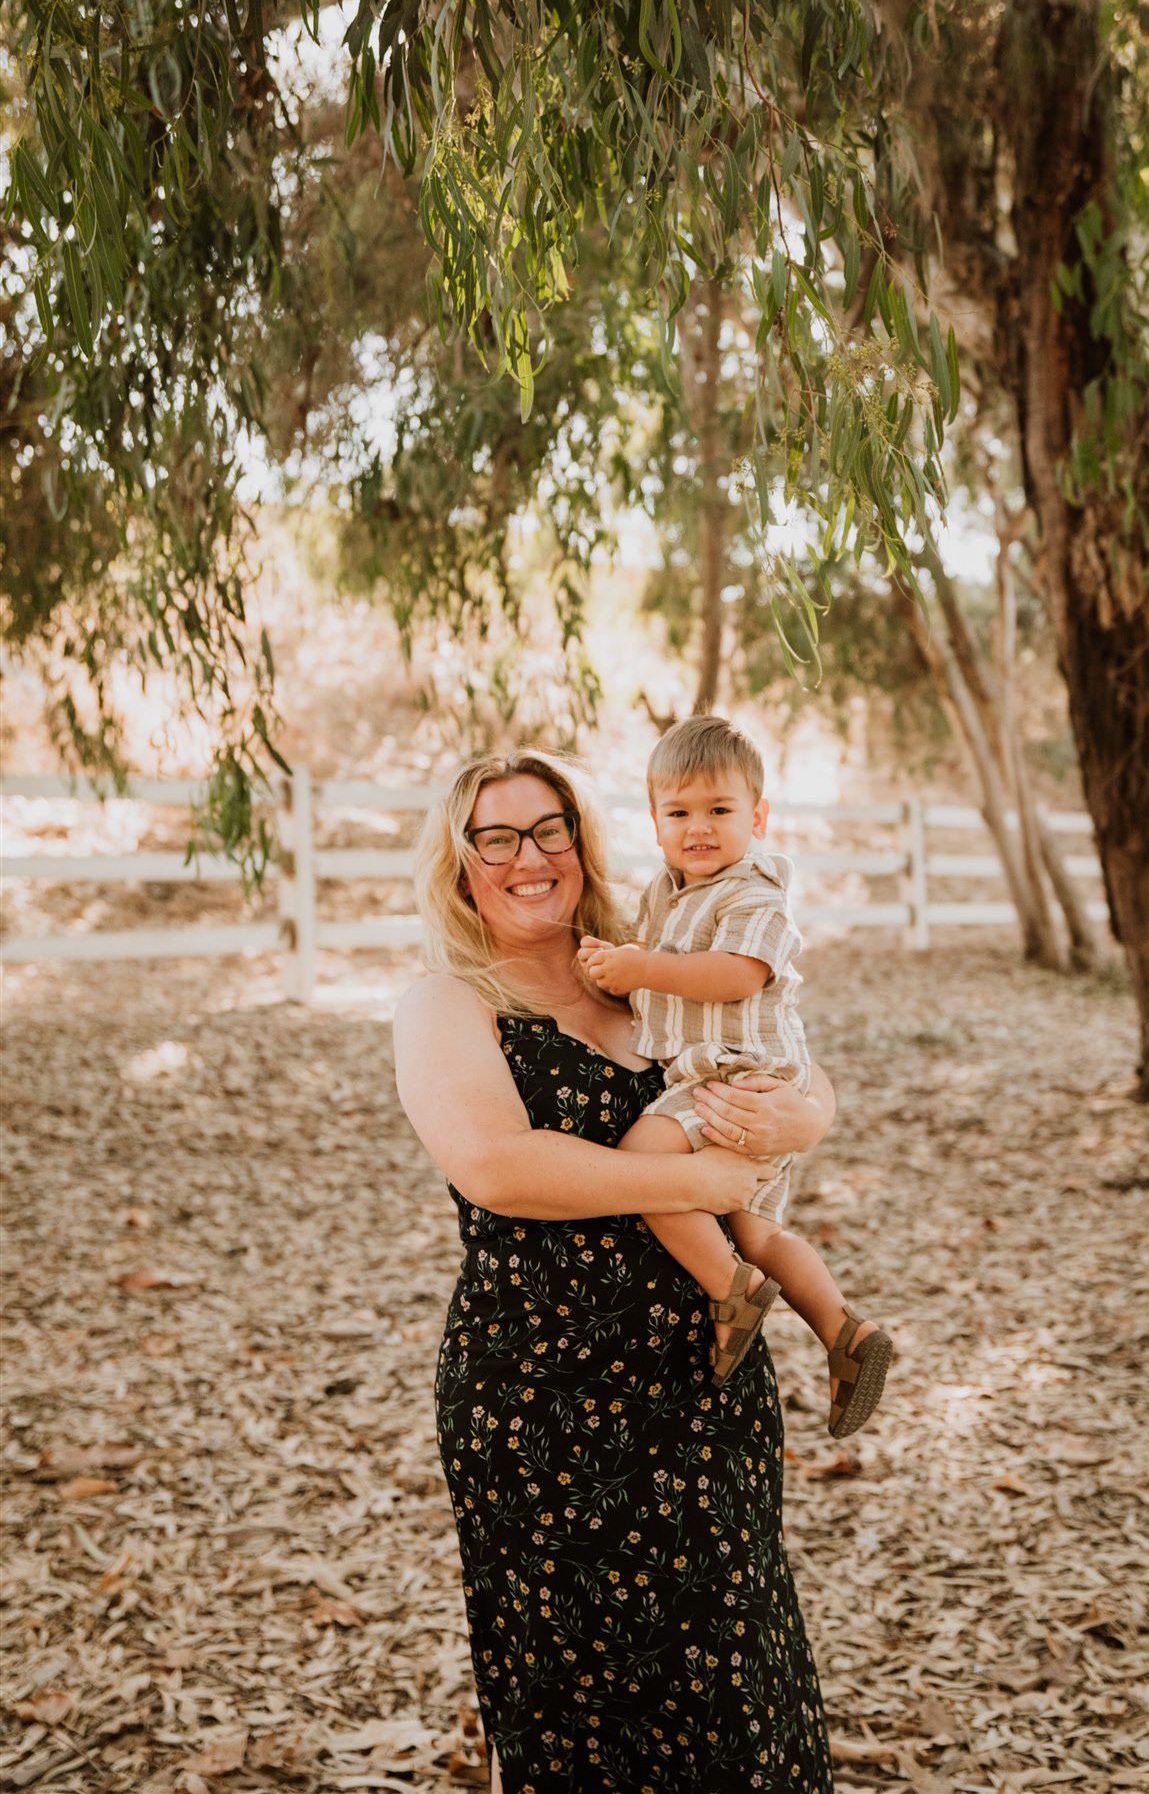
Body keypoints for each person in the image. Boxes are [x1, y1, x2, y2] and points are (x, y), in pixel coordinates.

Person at [393, 747, 836, 1793]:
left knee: (736, 1678)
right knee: (583, 1703)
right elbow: (498, 1167)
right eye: (495, 838)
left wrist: (809, 1115)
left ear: (581, 842)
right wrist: (699, 1179)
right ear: (461, 864)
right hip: (543, 1405)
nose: (527, 856)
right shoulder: (448, 1003)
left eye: (547, 829)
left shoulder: (647, 971)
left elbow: (787, 1053)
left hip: (703, 1375)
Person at [578, 716, 893, 1438]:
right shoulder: (667, 892)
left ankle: (732, 1290)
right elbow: (654, 969)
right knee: (758, 1231)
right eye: (678, 813)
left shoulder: (753, 891)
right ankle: (844, 1332)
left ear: (757, 818)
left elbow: (734, 975)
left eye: (718, 809)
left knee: (645, 1168)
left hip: (735, 1076)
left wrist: (641, 968)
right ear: (654, 822)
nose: (698, 828)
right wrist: (614, 965)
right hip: (735, 1083)